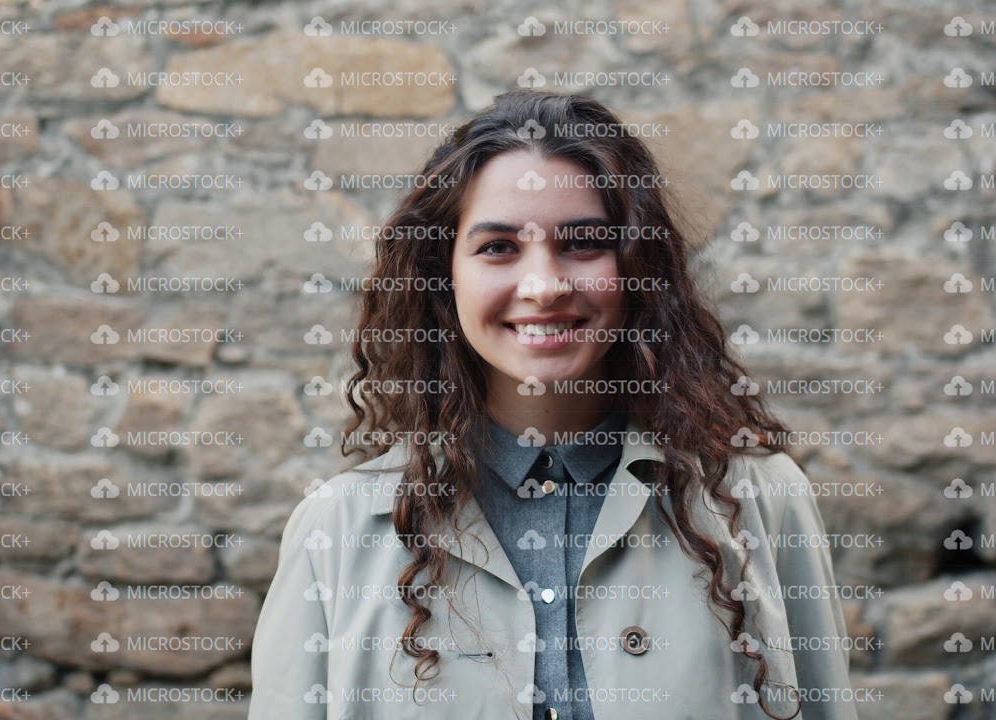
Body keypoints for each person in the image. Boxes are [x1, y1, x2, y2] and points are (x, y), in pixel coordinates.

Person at [250, 90, 858, 720]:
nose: (543, 287)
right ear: (443, 276)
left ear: (636, 266)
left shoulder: (761, 502)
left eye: (583, 243)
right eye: (498, 248)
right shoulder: (335, 530)